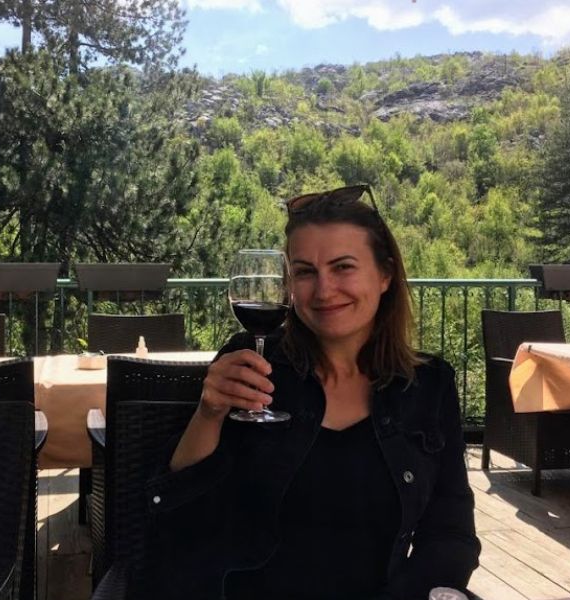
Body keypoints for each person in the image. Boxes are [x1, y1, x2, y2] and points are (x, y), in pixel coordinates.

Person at [145, 184, 480, 599]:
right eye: (304, 272)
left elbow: (451, 537)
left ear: (385, 275)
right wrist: (208, 413)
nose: (323, 291)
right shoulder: (251, 364)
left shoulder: (428, 385)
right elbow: (179, 518)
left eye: (343, 267)